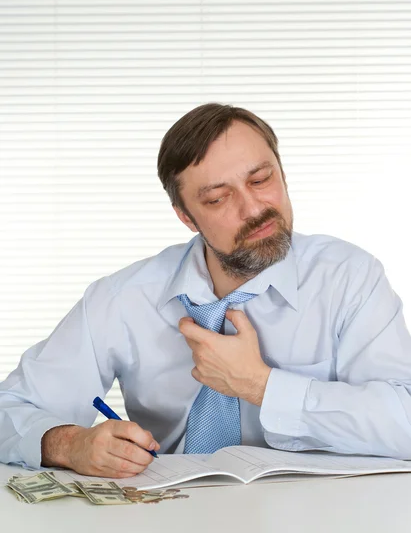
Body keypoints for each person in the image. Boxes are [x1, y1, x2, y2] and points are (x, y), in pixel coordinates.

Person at [1, 103, 410, 479]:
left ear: (283, 174)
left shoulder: (350, 278)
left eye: (261, 179)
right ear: (186, 217)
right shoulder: (122, 298)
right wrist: (71, 444)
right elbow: (10, 410)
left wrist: (261, 386)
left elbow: (404, 422)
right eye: (217, 199)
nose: (252, 209)